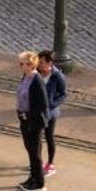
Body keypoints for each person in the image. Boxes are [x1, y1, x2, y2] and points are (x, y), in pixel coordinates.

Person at [15, 50, 49, 191]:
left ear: (30, 65)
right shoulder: (26, 76)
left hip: (34, 122)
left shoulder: (36, 80)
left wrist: (28, 116)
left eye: (22, 64)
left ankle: (39, 182)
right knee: (31, 151)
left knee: (35, 153)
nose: (20, 66)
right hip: (25, 119)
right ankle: (33, 177)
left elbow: (43, 104)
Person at [37, 49, 66, 177]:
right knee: (36, 137)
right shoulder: (35, 73)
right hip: (36, 111)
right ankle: (37, 162)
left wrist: (51, 105)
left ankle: (50, 164)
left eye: (42, 62)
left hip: (50, 113)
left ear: (50, 63)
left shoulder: (57, 76)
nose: (39, 64)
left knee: (49, 136)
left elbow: (63, 95)